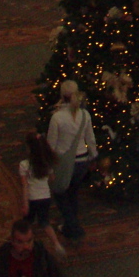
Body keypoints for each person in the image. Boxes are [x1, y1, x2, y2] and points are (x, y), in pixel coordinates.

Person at [46, 79, 97, 242]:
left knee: (61, 195)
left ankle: (73, 226)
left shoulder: (57, 118)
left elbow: (50, 146)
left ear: (62, 95)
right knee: (73, 194)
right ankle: (69, 227)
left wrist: (49, 169)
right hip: (82, 162)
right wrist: (94, 157)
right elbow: (91, 139)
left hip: (63, 164)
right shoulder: (84, 115)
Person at [18, 132, 66, 261]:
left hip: (32, 199)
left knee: (27, 224)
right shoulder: (46, 163)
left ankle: (27, 245)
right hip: (45, 197)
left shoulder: (24, 165)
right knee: (45, 222)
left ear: (29, 148)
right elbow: (52, 178)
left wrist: (25, 204)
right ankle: (56, 244)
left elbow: (25, 187)